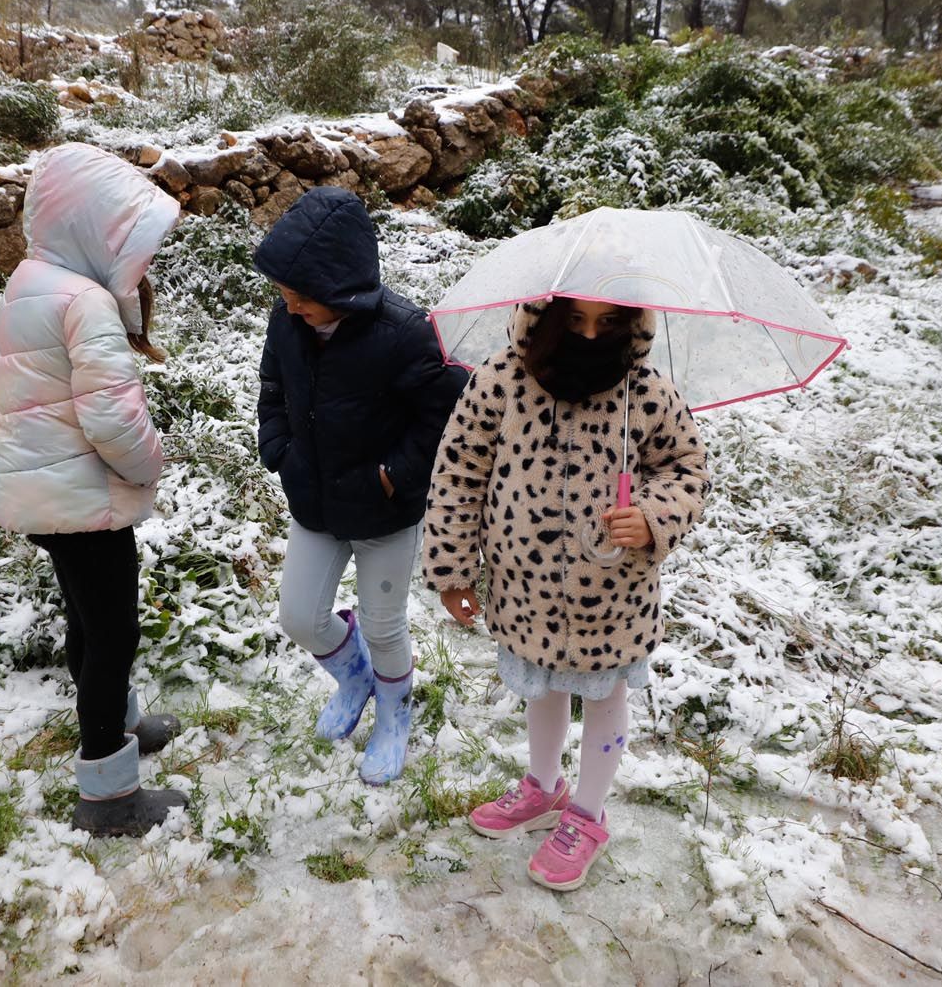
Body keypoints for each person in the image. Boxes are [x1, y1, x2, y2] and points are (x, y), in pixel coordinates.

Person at [423, 295, 709, 890]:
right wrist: (452, 570)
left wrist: (654, 516)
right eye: (573, 320)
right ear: (545, 319)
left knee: (605, 696)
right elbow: (458, 472)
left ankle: (587, 812)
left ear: (630, 325)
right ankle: (544, 786)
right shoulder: (501, 380)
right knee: (541, 686)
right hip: (521, 586)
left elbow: (687, 469)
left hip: (613, 594)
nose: (588, 335)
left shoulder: (646, 390)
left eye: (606, 323)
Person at [0, 142, 185, 837]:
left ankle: (118, 720)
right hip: (84, 498)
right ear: (96, 229)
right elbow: (112, 416)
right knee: (113, 630)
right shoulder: (86, 302)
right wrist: (150, 462)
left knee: (86, 619)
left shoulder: (33, 280)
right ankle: (108, 788)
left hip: (49, 494)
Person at [254, 187, 466, 784]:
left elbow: (444, 416)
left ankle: (395, 709)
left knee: (383, 624)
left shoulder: (406, 332)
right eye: (285, 297)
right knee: (299, 615)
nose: (290, 308)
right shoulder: (287, 323)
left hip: (384, 513)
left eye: (302, 299)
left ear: (341, 289)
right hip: (315, 503)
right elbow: (272, 389)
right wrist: (280, 450)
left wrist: (393, 475)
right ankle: (356, 677)